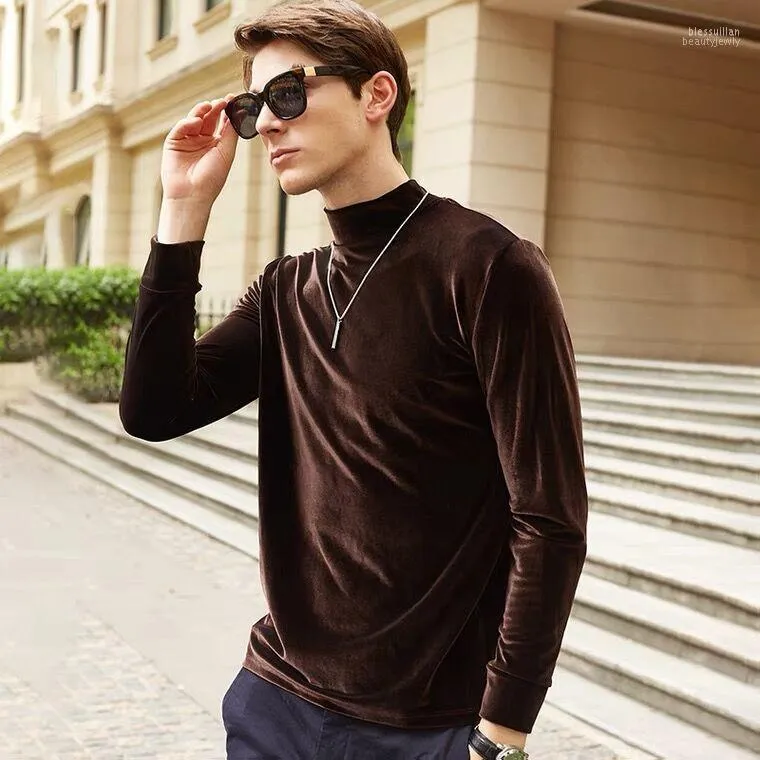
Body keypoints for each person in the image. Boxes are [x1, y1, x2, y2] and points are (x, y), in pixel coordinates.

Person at [118, 0, 588, 758]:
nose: (268, 125)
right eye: (253, 108)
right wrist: (183, 207)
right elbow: (154, 410)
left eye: (287, 94)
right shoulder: (286, 289)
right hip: (275, 701)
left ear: (377, 95)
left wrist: (503, 730)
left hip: (422, 726)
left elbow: (548, 516)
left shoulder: (488, 267)